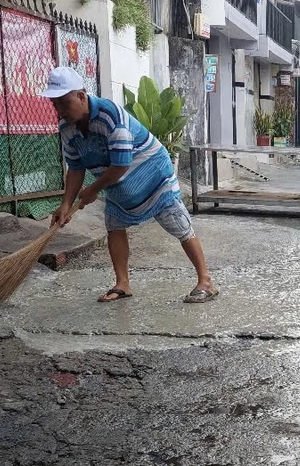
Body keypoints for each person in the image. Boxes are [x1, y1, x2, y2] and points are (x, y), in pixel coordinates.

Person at [41, 67, 219, 304]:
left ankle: (206, 281)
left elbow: (122, 164)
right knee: (114, 224)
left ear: (81, 96)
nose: (59, 110)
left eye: (63, 103)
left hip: (152, 175)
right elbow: (75, 167)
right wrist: (66, 204)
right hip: (117, 182)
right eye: (55, 104)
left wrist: (94, 189)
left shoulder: (110, 115)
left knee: (178, 224)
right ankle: (122, 284)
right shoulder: (67, 128)